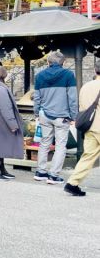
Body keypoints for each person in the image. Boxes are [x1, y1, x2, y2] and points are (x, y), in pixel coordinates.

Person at [33, 51, 77, 185]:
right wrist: (74, 116)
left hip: (44, 114)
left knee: (44, 143)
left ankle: (41, 172)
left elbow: (36, 97)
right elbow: (72, 98)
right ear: (63, 62)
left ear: (48, 62)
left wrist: (36, 113)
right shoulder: (68, 75)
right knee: (60, 146)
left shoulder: (39, 75)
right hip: (62, 116)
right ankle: (53, 175)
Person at [64, 59, 100, 196]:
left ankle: (72, 183)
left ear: (95, 70)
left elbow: (82, 107)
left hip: (89, 127)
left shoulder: (85, 87)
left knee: (87, 156)